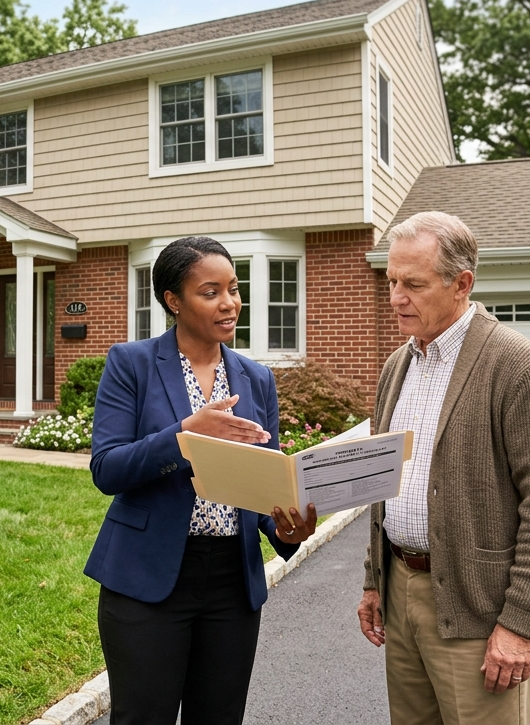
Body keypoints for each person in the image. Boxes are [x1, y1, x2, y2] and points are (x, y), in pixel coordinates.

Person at [356, 211, 530, 725]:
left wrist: (520, 625)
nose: (396, 297)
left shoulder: (515, 365)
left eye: (413, 283)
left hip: (478, 609)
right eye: (391, 281)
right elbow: (386, 480)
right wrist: (374, 580)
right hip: (401, 590)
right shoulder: (397, 365)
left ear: (463, 284)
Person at [85, 236, 316, 725]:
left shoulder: (256, 378)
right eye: (210, 292)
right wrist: (186, 434)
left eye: (233, 288)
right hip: (148, 578)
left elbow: (262, 482)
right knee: (143, 716)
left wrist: (284, 529)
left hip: (232, 583)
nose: (229, 302)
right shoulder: (132, 364)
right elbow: (107, 469)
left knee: (219, 716)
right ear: (173, 300)